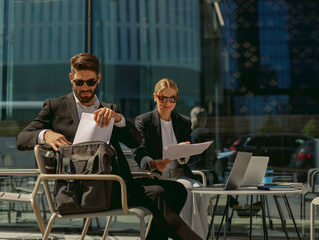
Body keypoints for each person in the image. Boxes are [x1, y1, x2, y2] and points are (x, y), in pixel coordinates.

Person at [15, 53, 202, 240]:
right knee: (158, 193)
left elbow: (136, 142)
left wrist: (118, 119)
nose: (85, 88)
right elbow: (22, 138)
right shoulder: (55, 107)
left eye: (90, 82)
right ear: (71, 78)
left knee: (177, 190)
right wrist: (45, 134)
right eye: (79, 83)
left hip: (117, 184)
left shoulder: (109, 109)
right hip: (82, 191)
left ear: (98, 79)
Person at [132, 78, 209, 239]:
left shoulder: (183, 122)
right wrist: (153, 164)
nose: (167, 102)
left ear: (176, 99)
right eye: (163, 98)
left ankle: (199, 234)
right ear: (155, 97)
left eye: (172, 98)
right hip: (154, 176)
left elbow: (185, 160)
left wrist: (182, 151)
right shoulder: (144, 121)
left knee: (198, 190)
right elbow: (140, 152)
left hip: (178, 174)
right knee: (186, 191)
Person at [188, 106, 219, 183]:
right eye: (204, 119)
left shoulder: (188, 133)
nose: (205, 122)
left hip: (190, 172)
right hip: (202, 174)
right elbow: (211, 158)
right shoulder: (204, 133)